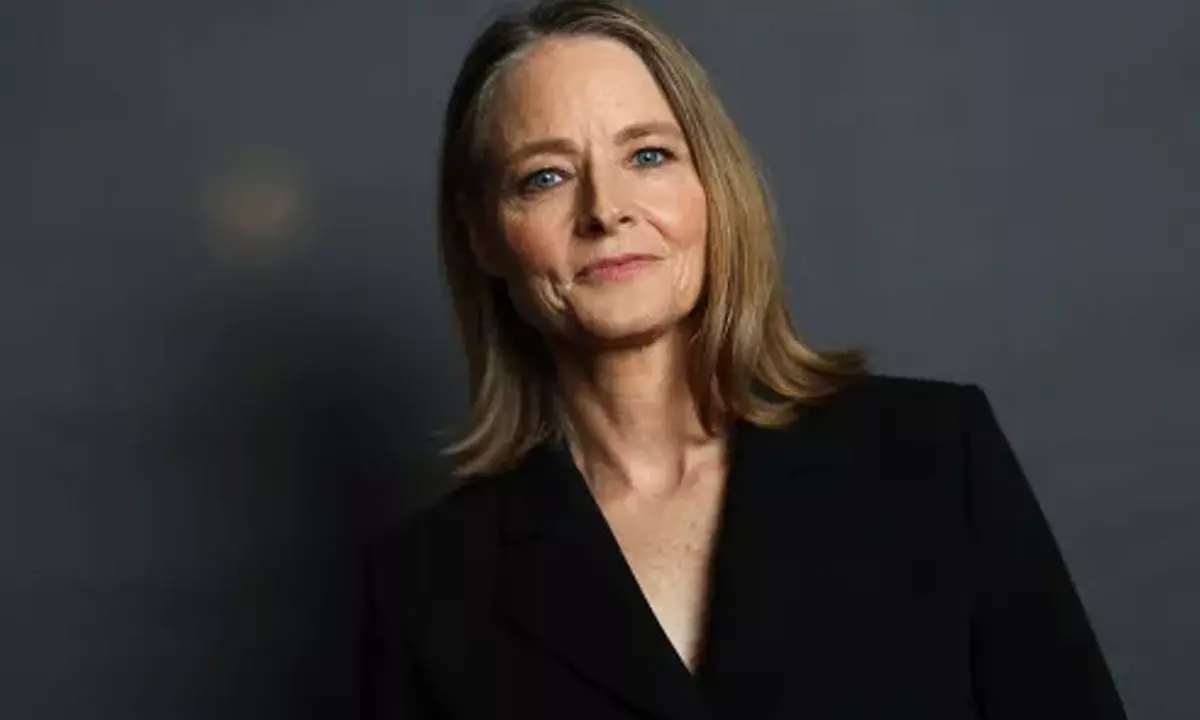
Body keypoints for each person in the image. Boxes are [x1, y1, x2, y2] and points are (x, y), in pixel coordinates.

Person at [360, 1, 1127, 718]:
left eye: (649, 155)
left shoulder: (933, 456)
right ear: (482, 235)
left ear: (711, 187)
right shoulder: (427, 584)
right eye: (546, 177)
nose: (606, 209)